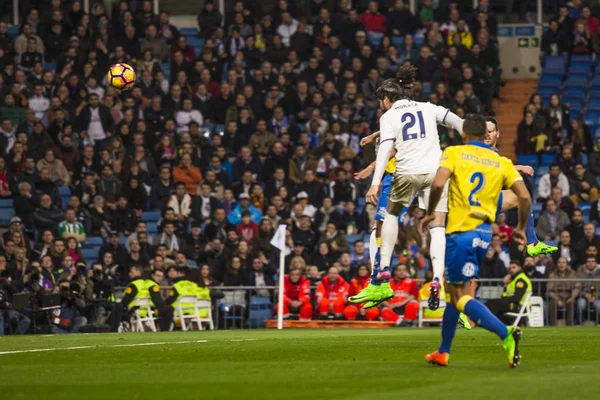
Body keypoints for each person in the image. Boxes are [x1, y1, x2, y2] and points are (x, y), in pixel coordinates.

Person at [419, 114, 530, 368]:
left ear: (464, 133)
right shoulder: (500, 161)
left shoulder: (455, 153)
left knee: (459, 297)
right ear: (485, 135)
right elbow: (523, 197)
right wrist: (521, 228)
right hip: (484, 235)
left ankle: (506, 334)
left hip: (461, 234)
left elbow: (437, 185)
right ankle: (443, 351)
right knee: (453, 292)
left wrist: (429, 214)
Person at [349, 67, 463, 310]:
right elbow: (456, 121)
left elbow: (384, 151)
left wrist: (376, 181)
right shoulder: (429, 107)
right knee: (437, 226)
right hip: (435, 173)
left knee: (391, 215)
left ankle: (385, 270)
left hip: (406, 173)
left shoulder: (389, 116)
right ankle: (436, 278)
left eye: (382, 102)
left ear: (387, 100)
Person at [484, 118, 558, 257]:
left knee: (522, 197)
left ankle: (532, 243)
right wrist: (520, 167)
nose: (487, 134)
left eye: (490, 131)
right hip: (477, 201)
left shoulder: (493, 152)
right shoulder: (480, 150)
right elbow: (495, 170)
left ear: (497, 133)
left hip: (489, 198)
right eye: (484, 132)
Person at [120, 265, 173, 331]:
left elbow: (126, 300)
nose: (160, 278)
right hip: (144, 310)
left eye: (161, 276)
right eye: (158, 276)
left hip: (137, 309)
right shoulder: (150, 284)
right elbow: (158, 301)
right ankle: (163, 330)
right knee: (168, 310)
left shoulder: (141, 283)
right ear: (152, 275)